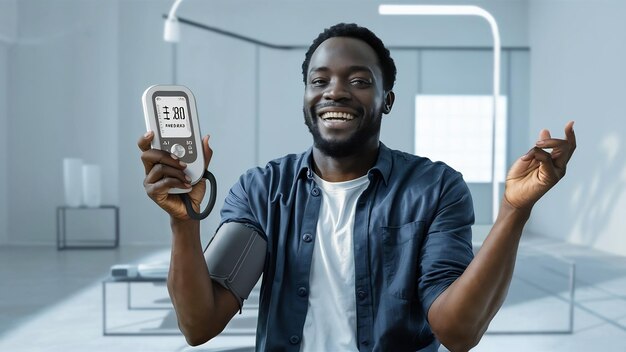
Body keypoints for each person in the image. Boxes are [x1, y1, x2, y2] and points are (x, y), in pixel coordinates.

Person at [138, 23, 576, 352]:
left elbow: (458, 331)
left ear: (387, 98)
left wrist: (514, 212)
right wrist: (183, 223)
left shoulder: (436, 189)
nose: (336, 92)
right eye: (319, 80)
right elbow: (199, 324)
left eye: (359, 81)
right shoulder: (262, 191)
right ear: (306, 98)